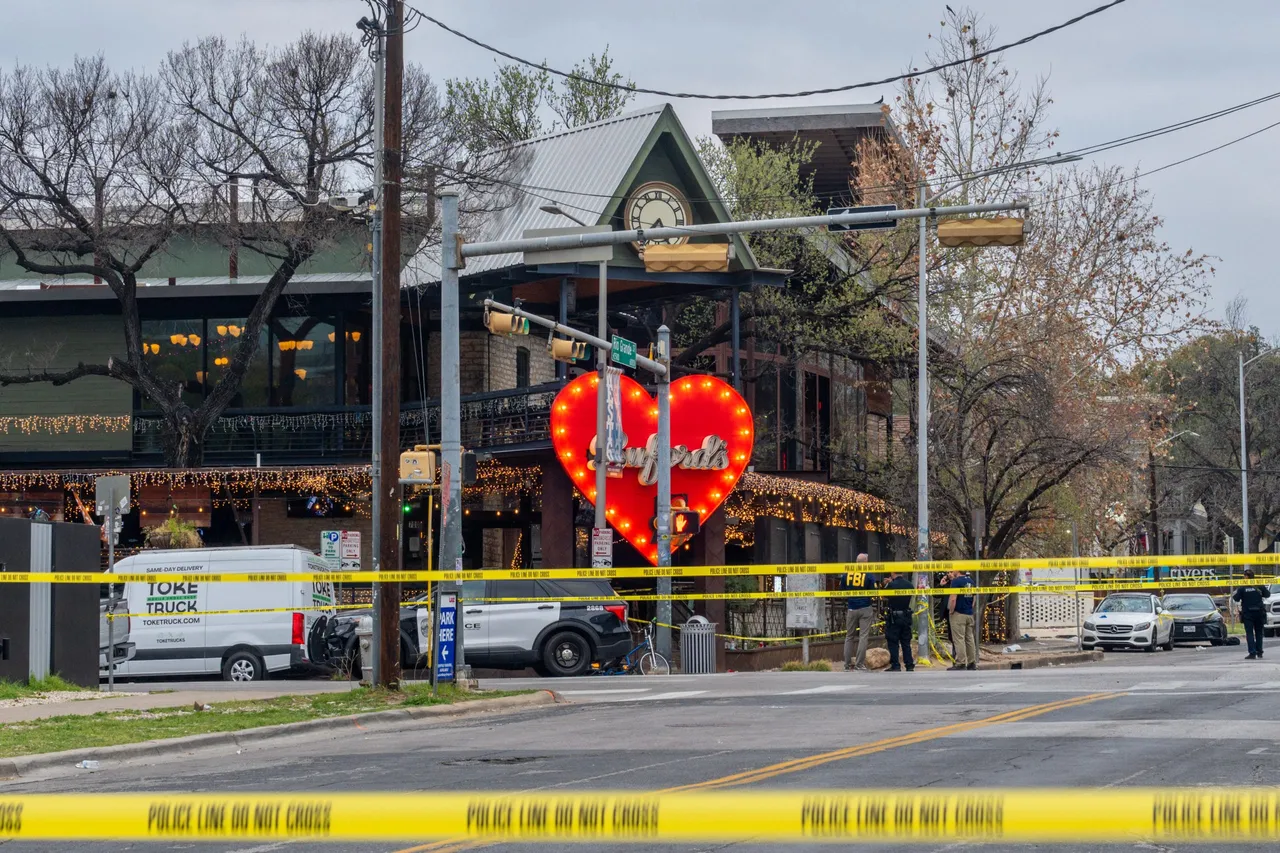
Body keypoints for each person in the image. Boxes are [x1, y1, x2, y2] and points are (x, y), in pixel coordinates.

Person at [842, 553, 875, 672]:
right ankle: (859, 664)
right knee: (863, 636)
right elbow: (873, 592)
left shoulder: (847, 573)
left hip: (851, 607)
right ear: (865, 562)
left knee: (849, 636)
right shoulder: (869, 575)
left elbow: (842, 590)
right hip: (865, 607)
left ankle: (846, 664)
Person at [1233, 569, 1271, 660]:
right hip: (1259, 612)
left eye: (1244, 576)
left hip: (1248, 614)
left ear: (1246, 577)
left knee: (1249, 633)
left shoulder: (1242, 587)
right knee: (1259, 633)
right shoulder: (1259, 585)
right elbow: (1267, 594)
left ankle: (1252, 653)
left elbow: (1236, 599)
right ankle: (1260, 652)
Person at [883, 569, 915, 672]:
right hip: (906, 616)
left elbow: (883, 596)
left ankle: (896, 665)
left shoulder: (892, 585)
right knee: (906, 642)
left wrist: (887, 584)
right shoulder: (910, 585)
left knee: (893, 641)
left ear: (892, 573)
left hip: (894, 617)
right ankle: (909, 664)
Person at [947, 569, 977, 671]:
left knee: (959, 639)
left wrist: (951, 610)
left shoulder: (956, 582)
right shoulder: (971, 581)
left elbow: (953, 598)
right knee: (969, 638)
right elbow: (974, 599)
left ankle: (961, 662)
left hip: (958, 613)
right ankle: (972, 662)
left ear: (958, 570)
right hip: (969, 614)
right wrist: (969, 608)